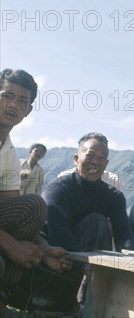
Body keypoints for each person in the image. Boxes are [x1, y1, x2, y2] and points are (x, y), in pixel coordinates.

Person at [0, 69, 69, 314]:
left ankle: (8, 292)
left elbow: (14, 207)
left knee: (35, 206)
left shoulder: (8, 151)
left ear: (28, 111)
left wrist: (43, 248)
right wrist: (11, 246)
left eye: (22, 101)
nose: (13, 105)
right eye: (7, 96)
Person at [44, 132, 132, 304]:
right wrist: (85, 263)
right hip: (59, 254)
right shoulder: (58, 188)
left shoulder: (114, 196)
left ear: (106, 164)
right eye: (90, 155)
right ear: (76, 159)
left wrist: (132, 259)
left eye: (102, 158)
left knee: (99, 224)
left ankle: (91, 299)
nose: (95, 162)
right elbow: (58, 233)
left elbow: (124, 236)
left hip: (93, 259)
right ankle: (73, 299)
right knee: (97, 222)